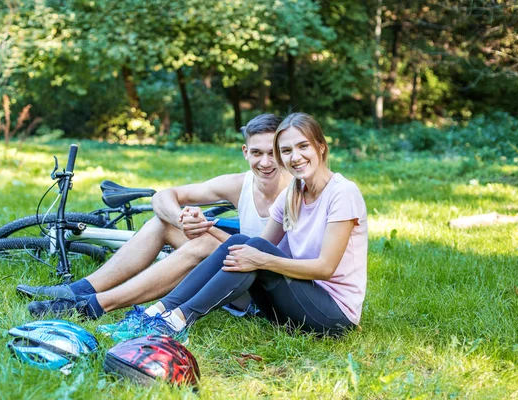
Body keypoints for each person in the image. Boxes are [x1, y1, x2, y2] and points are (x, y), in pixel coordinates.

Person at [24, 114, 292, 331]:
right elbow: (164, 196)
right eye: (257, 153)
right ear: (245, 152)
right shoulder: (239, 184)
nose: (265, 162)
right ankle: (78, 290)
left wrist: (208, 232)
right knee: (162, 223)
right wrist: (182, 220)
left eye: (273, 153)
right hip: (234, 269)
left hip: (268, 291)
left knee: (205, 244)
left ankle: (97, 304)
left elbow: (261, 252)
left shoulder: (297, 190)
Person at [123, 112, 368, 342]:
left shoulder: (342, 193)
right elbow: (254, 245)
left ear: (321, 146)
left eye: (303, 146)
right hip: (297, 300)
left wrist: (261, 260)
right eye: (286, 150)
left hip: (334, 316)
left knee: (254, 251)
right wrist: (213, 231)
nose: (295, 157)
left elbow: (325, 268)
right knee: (243, 243)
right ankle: (160, 310)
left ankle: (177, 320)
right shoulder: (292, 193)